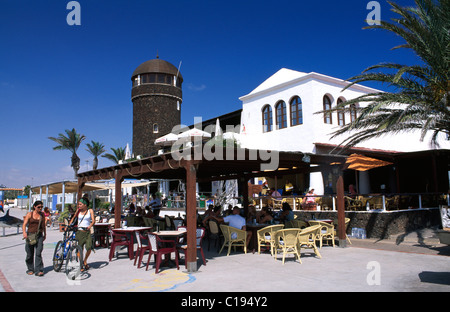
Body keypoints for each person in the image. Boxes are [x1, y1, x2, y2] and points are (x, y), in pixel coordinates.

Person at [69, 196, 95, 271]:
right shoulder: (78, 211)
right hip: (79, 232)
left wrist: (89, 226)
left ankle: (85, 260)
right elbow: (74, 218)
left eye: (80, 204)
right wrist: (69, 225)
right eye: (78, 204)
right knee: (80, 248)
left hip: (87, 232)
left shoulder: (90, 211)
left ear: (85, 205)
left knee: (89, 247)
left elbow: (93, 221)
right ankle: (81, 264)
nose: (79, 206)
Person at [23, 201, 46, 276]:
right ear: (34, 207)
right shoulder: (30, 214)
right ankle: (30, 269)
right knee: (29, 253)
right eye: (38, 207)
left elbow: (43, 225)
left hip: (39, 235)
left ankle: (38, 270)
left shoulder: (42, 215)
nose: (40, 208)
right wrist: (24, 232)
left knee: (38, 252)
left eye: (41, 207)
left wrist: (45, 234)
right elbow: (24, 224)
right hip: (30, 235)